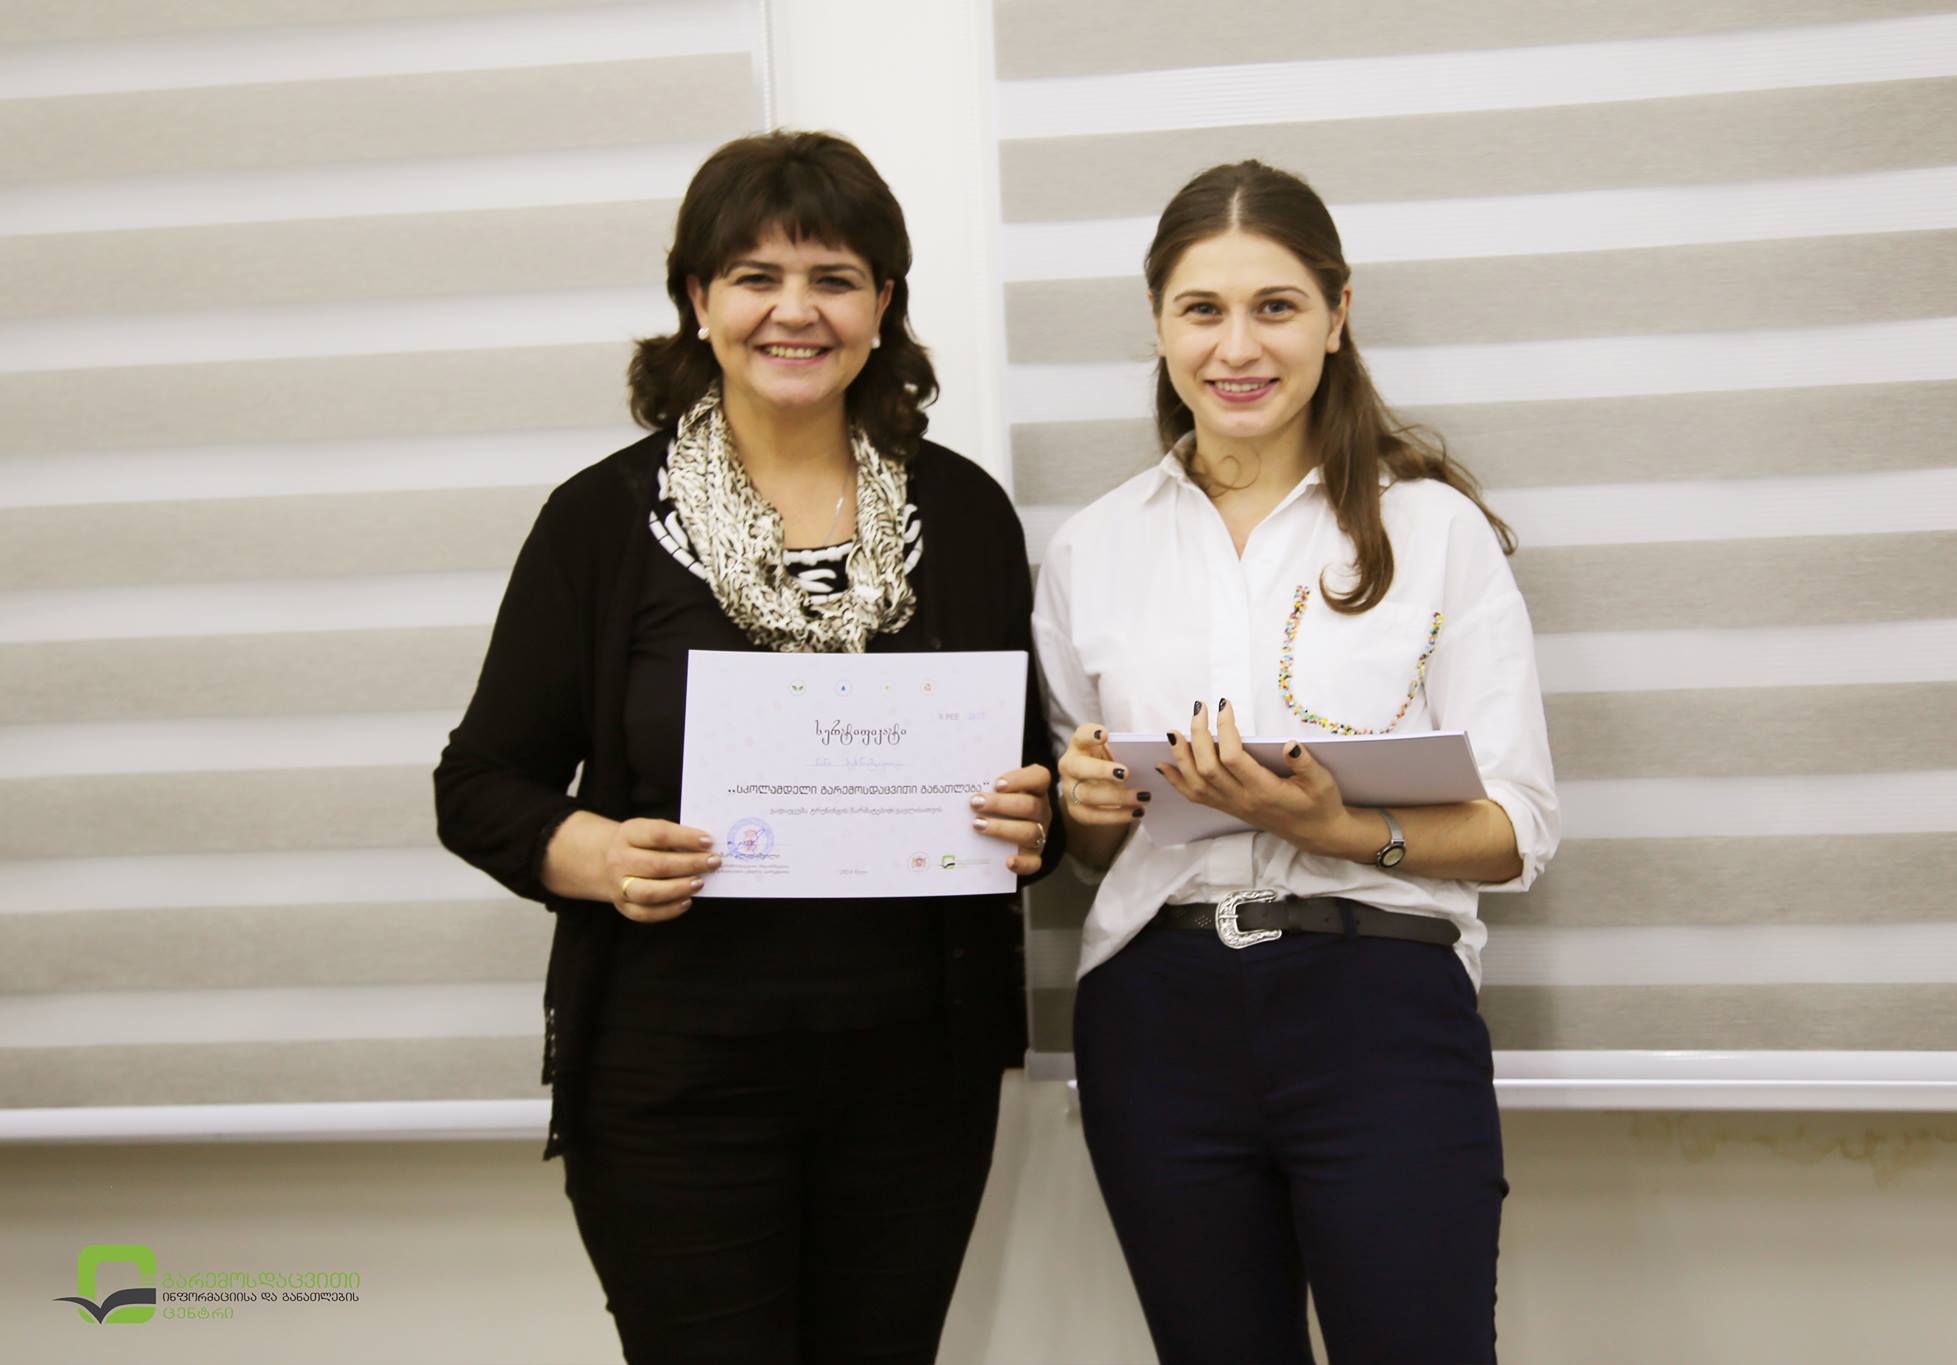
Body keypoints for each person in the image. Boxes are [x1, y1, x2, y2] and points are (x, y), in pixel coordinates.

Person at [434, 130, 1059, 1365]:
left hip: (915, 1082)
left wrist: (1030, 816)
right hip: (675, 1080)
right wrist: (593, 854)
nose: (795, 311)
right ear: (696, 299)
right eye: (754, 277)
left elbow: (1022, 774)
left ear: (882, 304)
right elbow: (480, 784)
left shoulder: (963, 515)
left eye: (833, 278)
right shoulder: (604, 522)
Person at [1033, 160, 1560, 1364]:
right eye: (1200, 310)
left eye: (1273, 306)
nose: (1236, 347)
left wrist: (1337, 829)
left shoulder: (1432, 531)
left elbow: (1515, 830)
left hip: (1378, 1001)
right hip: (1154, 1017)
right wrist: (1088, 801)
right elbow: (1094, 846)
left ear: (1336, 314)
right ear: (1157, 323)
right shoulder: (1089, 551)